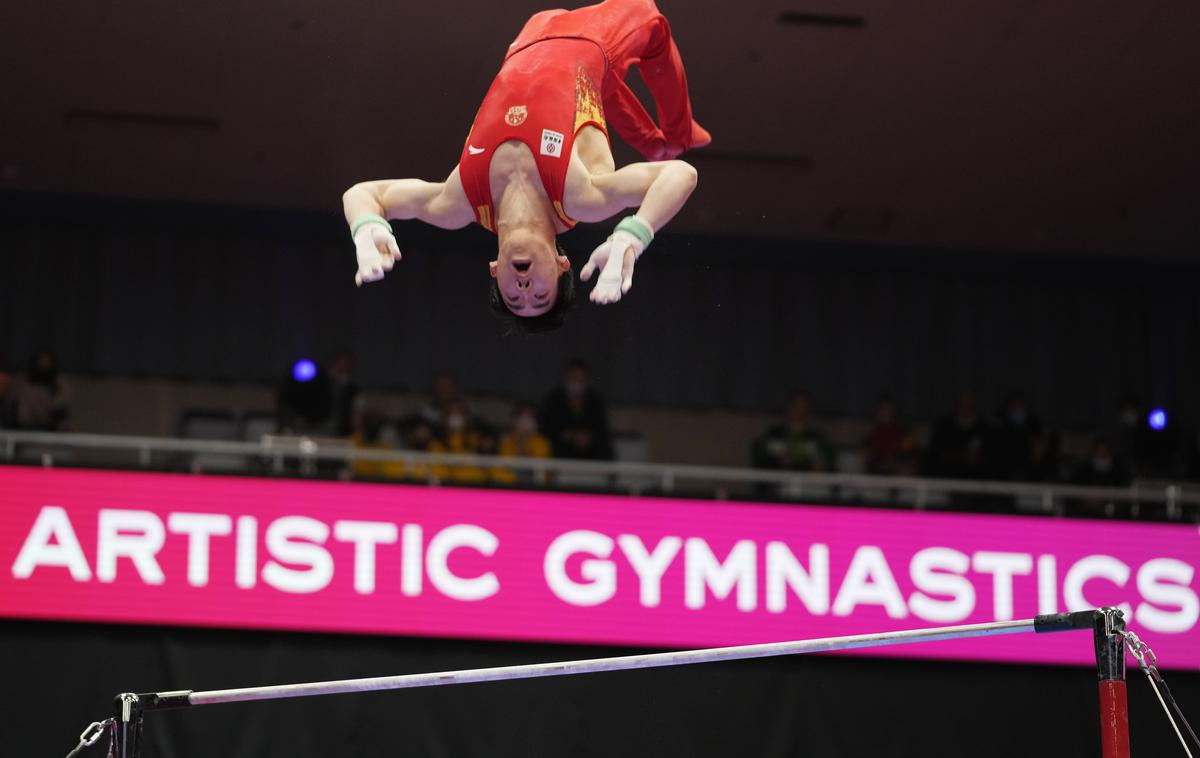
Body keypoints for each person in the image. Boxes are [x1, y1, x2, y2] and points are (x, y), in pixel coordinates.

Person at [342, 0, 709, 332]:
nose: (524, 288)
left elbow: (363, 193)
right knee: (652, 27)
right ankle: (675, 136)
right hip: (598, 40)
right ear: (562, 264)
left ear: (494, 271)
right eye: (540, 295)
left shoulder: (460, 203)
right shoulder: (581, 198)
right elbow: (681, 175)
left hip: (529, 38)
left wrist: (365, 226)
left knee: (606, 86)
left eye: (515, 298)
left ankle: (657, 140)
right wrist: (633, 235)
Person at [539, 358, 613, 460]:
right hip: (561, 449)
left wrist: (588, 437)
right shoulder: (553, 399)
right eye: (573, 378)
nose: (576, 384)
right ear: (565, 377)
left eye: (580, 380)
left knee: (604, 448)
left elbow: (601, 428)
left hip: (589, 451)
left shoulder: (595, 400)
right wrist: (568, 435)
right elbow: (546, 429)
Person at [751, 392, 835, 473]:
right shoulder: (774, 433)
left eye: (804, 406)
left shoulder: (817, 437)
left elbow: (828, 460)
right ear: (789, 407)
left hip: (808, 482)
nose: (800, 411)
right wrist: (777, 460)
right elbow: (761, 457)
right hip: (779, 481)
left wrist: (819, 466)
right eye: (796, 405)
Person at [495, 403, 554, 485]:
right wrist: (519, 441)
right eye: (521, 417)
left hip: (536, 482)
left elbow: (538, 467)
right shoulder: (507, 441)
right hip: (511, 484)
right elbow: (507, 465)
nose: (525, 421)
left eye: (528, 418)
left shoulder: (542, 442)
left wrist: (525, 442)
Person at [13, 349, 70, 431]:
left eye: (47, 361)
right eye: (41, 361)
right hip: (26, 420)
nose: (44, 364)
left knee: (62, 419)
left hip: (51, 417)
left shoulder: (59, 380)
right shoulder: (23, 379)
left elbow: (64, 397)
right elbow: (18, 398)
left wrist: (49, 404)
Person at [862, 395, 918, 476]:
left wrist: (895, 459)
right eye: (883, 409)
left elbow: (909, 453)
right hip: (877, 471)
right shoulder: (872, 433)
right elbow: (869, 454)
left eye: (889, 410)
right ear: (876, 412)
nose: (885, 413)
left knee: (905, 469)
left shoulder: (902, 432)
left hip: (897, 470)